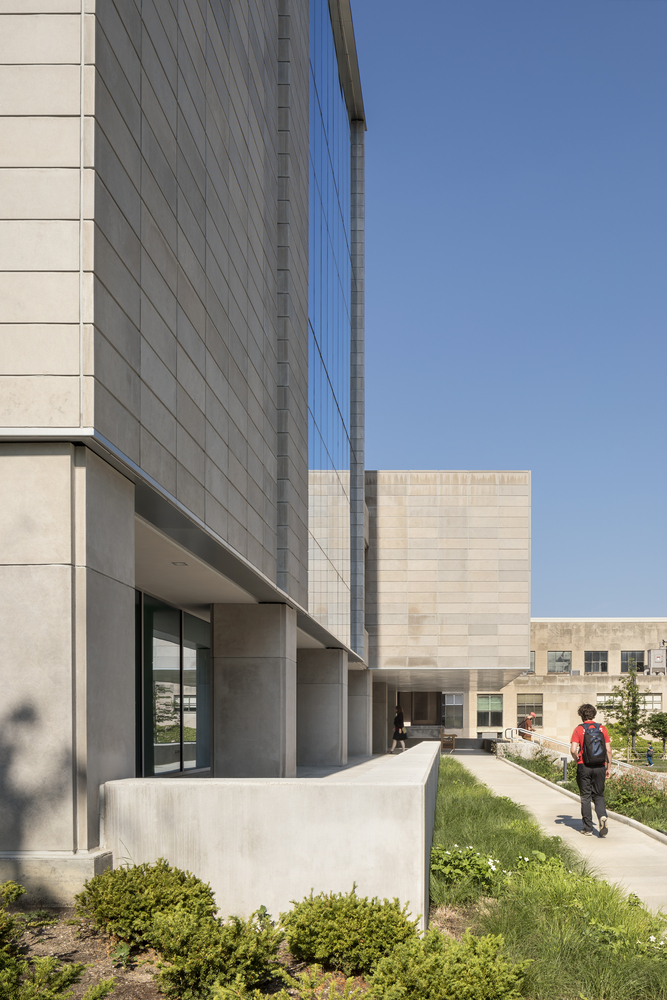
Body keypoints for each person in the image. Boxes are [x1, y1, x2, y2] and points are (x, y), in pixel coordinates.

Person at [570, 703, 611, 837]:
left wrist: (577, 760)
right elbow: (608, 750)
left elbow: (573, 750)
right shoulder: (602, 729)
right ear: (594, 714)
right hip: (600, 765)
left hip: (584, 766)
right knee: (598, 795)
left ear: (581, 715)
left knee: (586, 797)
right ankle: (602, 816)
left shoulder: (578, 729)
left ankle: (588, 829)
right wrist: (608, 767)